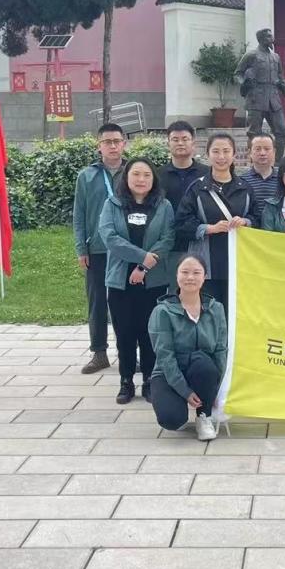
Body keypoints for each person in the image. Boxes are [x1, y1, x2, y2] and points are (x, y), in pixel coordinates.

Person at [98, 157, 174, 404]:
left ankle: (150, 381)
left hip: (153, 280)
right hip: (120, 280)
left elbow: (167, 238)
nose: (141, 179)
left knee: (150, 333)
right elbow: (109, 237)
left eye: (146, 175)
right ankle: (126, 381)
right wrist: (142, 256)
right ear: (126, 177)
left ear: (153, 179)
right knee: (125, 334)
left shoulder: (163, 206)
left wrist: (144, 266)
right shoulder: (113, 204)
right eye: (136, 174)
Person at [149, 254, 228, 441]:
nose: (190, 277)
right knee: (172, 419)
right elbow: (165, 357)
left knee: (203, 363)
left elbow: (220, 351)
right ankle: (180, 403)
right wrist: (185, 391)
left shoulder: (216, 309)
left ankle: (204, 416)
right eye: (184, 272)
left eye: (196, 273)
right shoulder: (162, 311)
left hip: (202, 370)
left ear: (204, 277)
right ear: (176, 276)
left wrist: (217, 389)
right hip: (169, 372)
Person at [175, 133, 254, 311]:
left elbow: (257, 219)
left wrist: (245, 222)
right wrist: (208, 228)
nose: (221, 156)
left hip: (239, 264)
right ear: (208, 154)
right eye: (216, 151)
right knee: (207, 313)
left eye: (226, 151)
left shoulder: (245, 188)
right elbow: (181, 223)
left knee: (234, 314)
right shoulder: (197, 188)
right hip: (206, 265)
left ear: (234, 155)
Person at [72, 122, 126, 374]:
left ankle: (127, 352)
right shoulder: (86, 176)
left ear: (124, 144)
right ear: (99, 146)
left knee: (125, 303)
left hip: (127, 249)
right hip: (97, 249)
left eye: (117, 141)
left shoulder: (133, 173)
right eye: (107, 142)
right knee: (97, 303)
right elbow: (79, 214)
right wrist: (81, 248)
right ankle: (99, 353)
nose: (112, 146)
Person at [157, 121, 210, 291]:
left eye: (185, 139)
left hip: (200, 243)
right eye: (175, 139)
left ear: (193, 143)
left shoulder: (207, 174)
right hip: (169, 245)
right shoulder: (157, 175)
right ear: (168, 143)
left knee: (201, 294)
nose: (180, 143)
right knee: (173, 294)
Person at [236, 28, 285, 160]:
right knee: (254, 133)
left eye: (271, 36)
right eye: (268, 36)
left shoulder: (276, 57)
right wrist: (245, 82)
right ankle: (254, 161)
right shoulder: (251, 55)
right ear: (261, 39)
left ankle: (277, 162)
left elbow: (280, 77)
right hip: (256, 97)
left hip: (273, 98)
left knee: (282, 131)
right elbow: (238, 73)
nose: (271, 38)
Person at [241, 133, 280, 221]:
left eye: (267, 149)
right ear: (250, 153)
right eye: (258, 149)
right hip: (250, 228)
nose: (262, 153)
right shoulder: (242, 181)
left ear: (274, 152)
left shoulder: (283, 179)